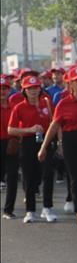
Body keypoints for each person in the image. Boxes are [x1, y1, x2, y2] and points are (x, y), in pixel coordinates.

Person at [39, 66, 77, 229]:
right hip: (71, 140)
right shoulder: (64, 103)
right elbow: (54, 125)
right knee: (76, 176)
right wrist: (44, 147)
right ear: (70, 83)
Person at [7, 75, 55, 224]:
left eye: (36, 88)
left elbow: (54, 122)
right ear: (24, 90)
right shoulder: (19, 107)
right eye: (30, 88)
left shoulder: (46, 103)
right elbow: (10, 129)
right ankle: (30, 211)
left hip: (46, 141)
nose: (33, 91)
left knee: (47, 174)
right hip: (28, 142)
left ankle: (47, 208)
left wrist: (58, 142)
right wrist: (30, 129)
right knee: (29, 176)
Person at [2, 76, 20, 219]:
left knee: (12, 176)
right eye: (0, 89)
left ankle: (8, 209)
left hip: (11, 143)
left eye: (5, 89)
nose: (2, 91)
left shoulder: (15, 107)